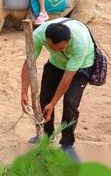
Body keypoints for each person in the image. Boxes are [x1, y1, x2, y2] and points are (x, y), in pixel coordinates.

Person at [20, 18, 94, 157]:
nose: (55, 50)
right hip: (56, 64)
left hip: (81, 67)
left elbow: (68, 76)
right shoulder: (38, 35)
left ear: (68, 41)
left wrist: (53, 103)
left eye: (60, 48)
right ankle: (47, 135)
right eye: (51, 48)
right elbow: (29, 62)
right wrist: (24, 92)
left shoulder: (79, 43)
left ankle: (67, 142)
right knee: (44, 99)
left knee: (70, 103)